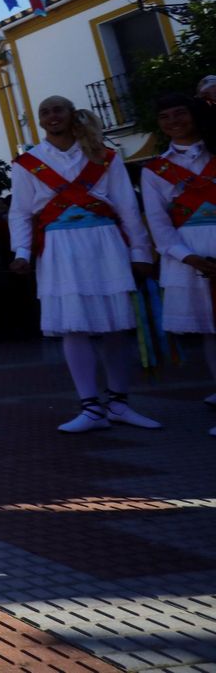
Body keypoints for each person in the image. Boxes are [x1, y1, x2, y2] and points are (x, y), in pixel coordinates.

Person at [9, 95, 157, 434]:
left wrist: (141, 253)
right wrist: (21, 252)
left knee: (117, 326)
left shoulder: (104, 156)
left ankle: (119, 403)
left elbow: (127, 207)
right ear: (40, 120)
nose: (51, 116)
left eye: (57, 109)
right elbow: (20, 211)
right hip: (60, 247)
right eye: (44, 111)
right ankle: (90, 407)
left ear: (72, 114)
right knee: (74, 326)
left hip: (105, 242)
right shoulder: (27, 163)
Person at [139, 92, 216, 437]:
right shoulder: (155, 170)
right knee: (212, 333)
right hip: (190, 256)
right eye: (165, 117)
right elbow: (159, 226)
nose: (174, 121)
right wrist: (190, 257)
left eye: (180, 113)